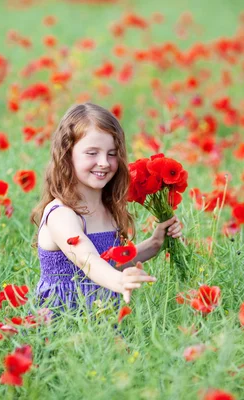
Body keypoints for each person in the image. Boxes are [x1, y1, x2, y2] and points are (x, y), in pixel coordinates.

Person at [30, 103, 182, 312]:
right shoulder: (62, 214)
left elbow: (110, 263)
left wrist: (155, 243)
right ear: (67, 155)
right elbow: (88, 259)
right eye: (92, 153)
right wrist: (119, 282)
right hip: (61, 323)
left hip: (102, 321)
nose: (104, 162)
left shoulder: (108, 209)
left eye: (112, 154)